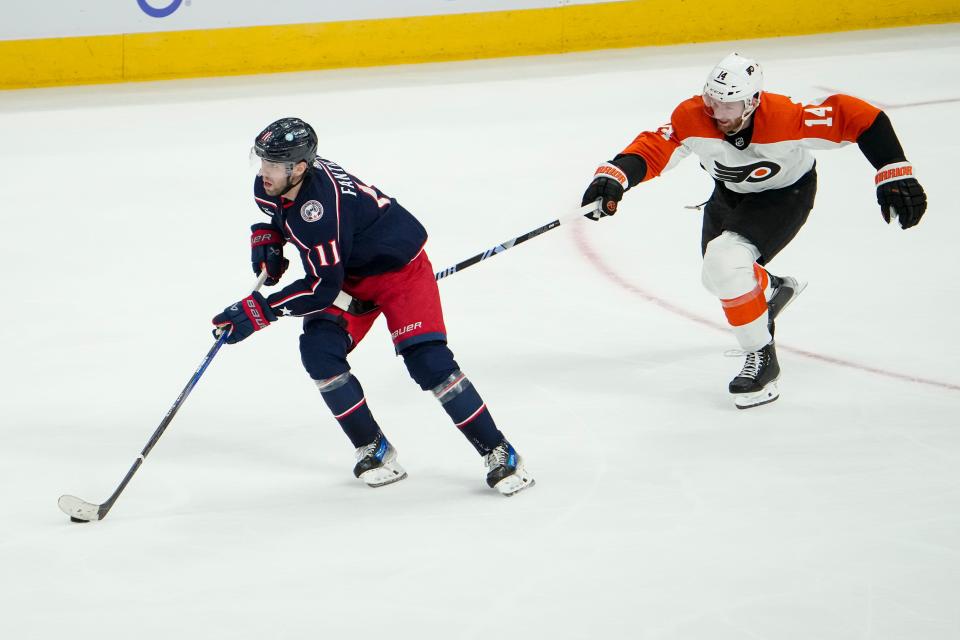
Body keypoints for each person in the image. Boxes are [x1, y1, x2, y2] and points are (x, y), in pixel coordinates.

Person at [581, 53, 927, 409]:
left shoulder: (785, 118)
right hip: (730, 196)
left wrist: (894, 171)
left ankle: (762, 359)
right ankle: (773, 288)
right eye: (712, 101)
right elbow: (655, 148)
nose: (718, 114)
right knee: (717, 278)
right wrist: (615, 176)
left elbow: (860, 117)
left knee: (725, 265)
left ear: (753, 102)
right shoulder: (693, 115)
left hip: (784, 196)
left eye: (729, 105)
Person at [212, 117, 534, 495]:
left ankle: (499, 451)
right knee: (319, 352)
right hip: (348, 272)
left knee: (428, 362)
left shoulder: (321, 208)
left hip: (400, 272)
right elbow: (285, 219)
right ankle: (373, 447)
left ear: (299, 168)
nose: (263, 172)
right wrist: (269, 236)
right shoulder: (274, 185)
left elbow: (320, 286)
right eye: (261, 160)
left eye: (272, 164)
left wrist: (261, 310)